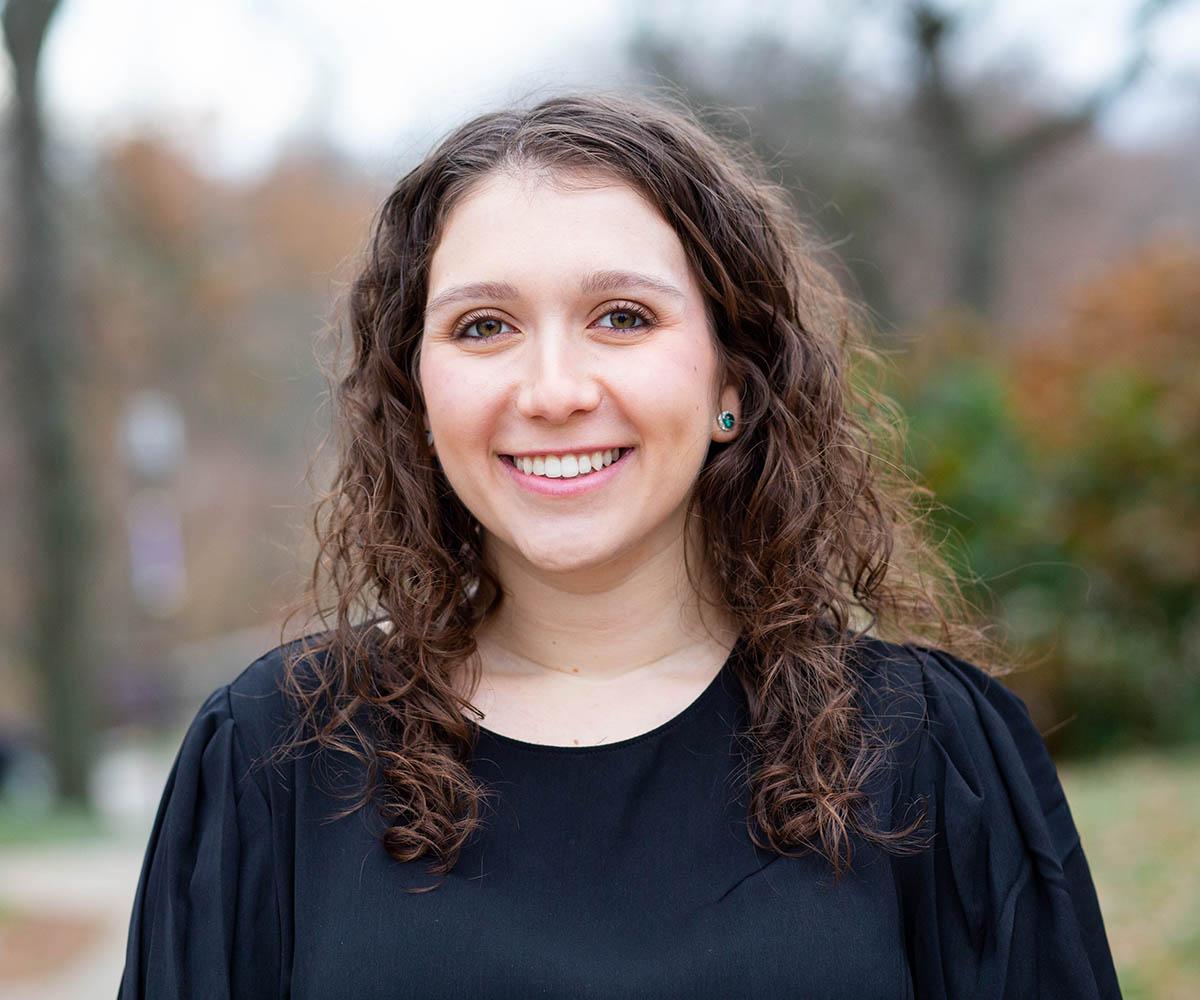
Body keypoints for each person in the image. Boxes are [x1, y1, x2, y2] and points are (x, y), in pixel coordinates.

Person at [117, 90, 1122, 999]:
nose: (553, 389)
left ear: (732, 380)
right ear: (417, 395)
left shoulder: (930, 750)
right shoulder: (276, 754)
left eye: (622, 317)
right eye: (484, 327)